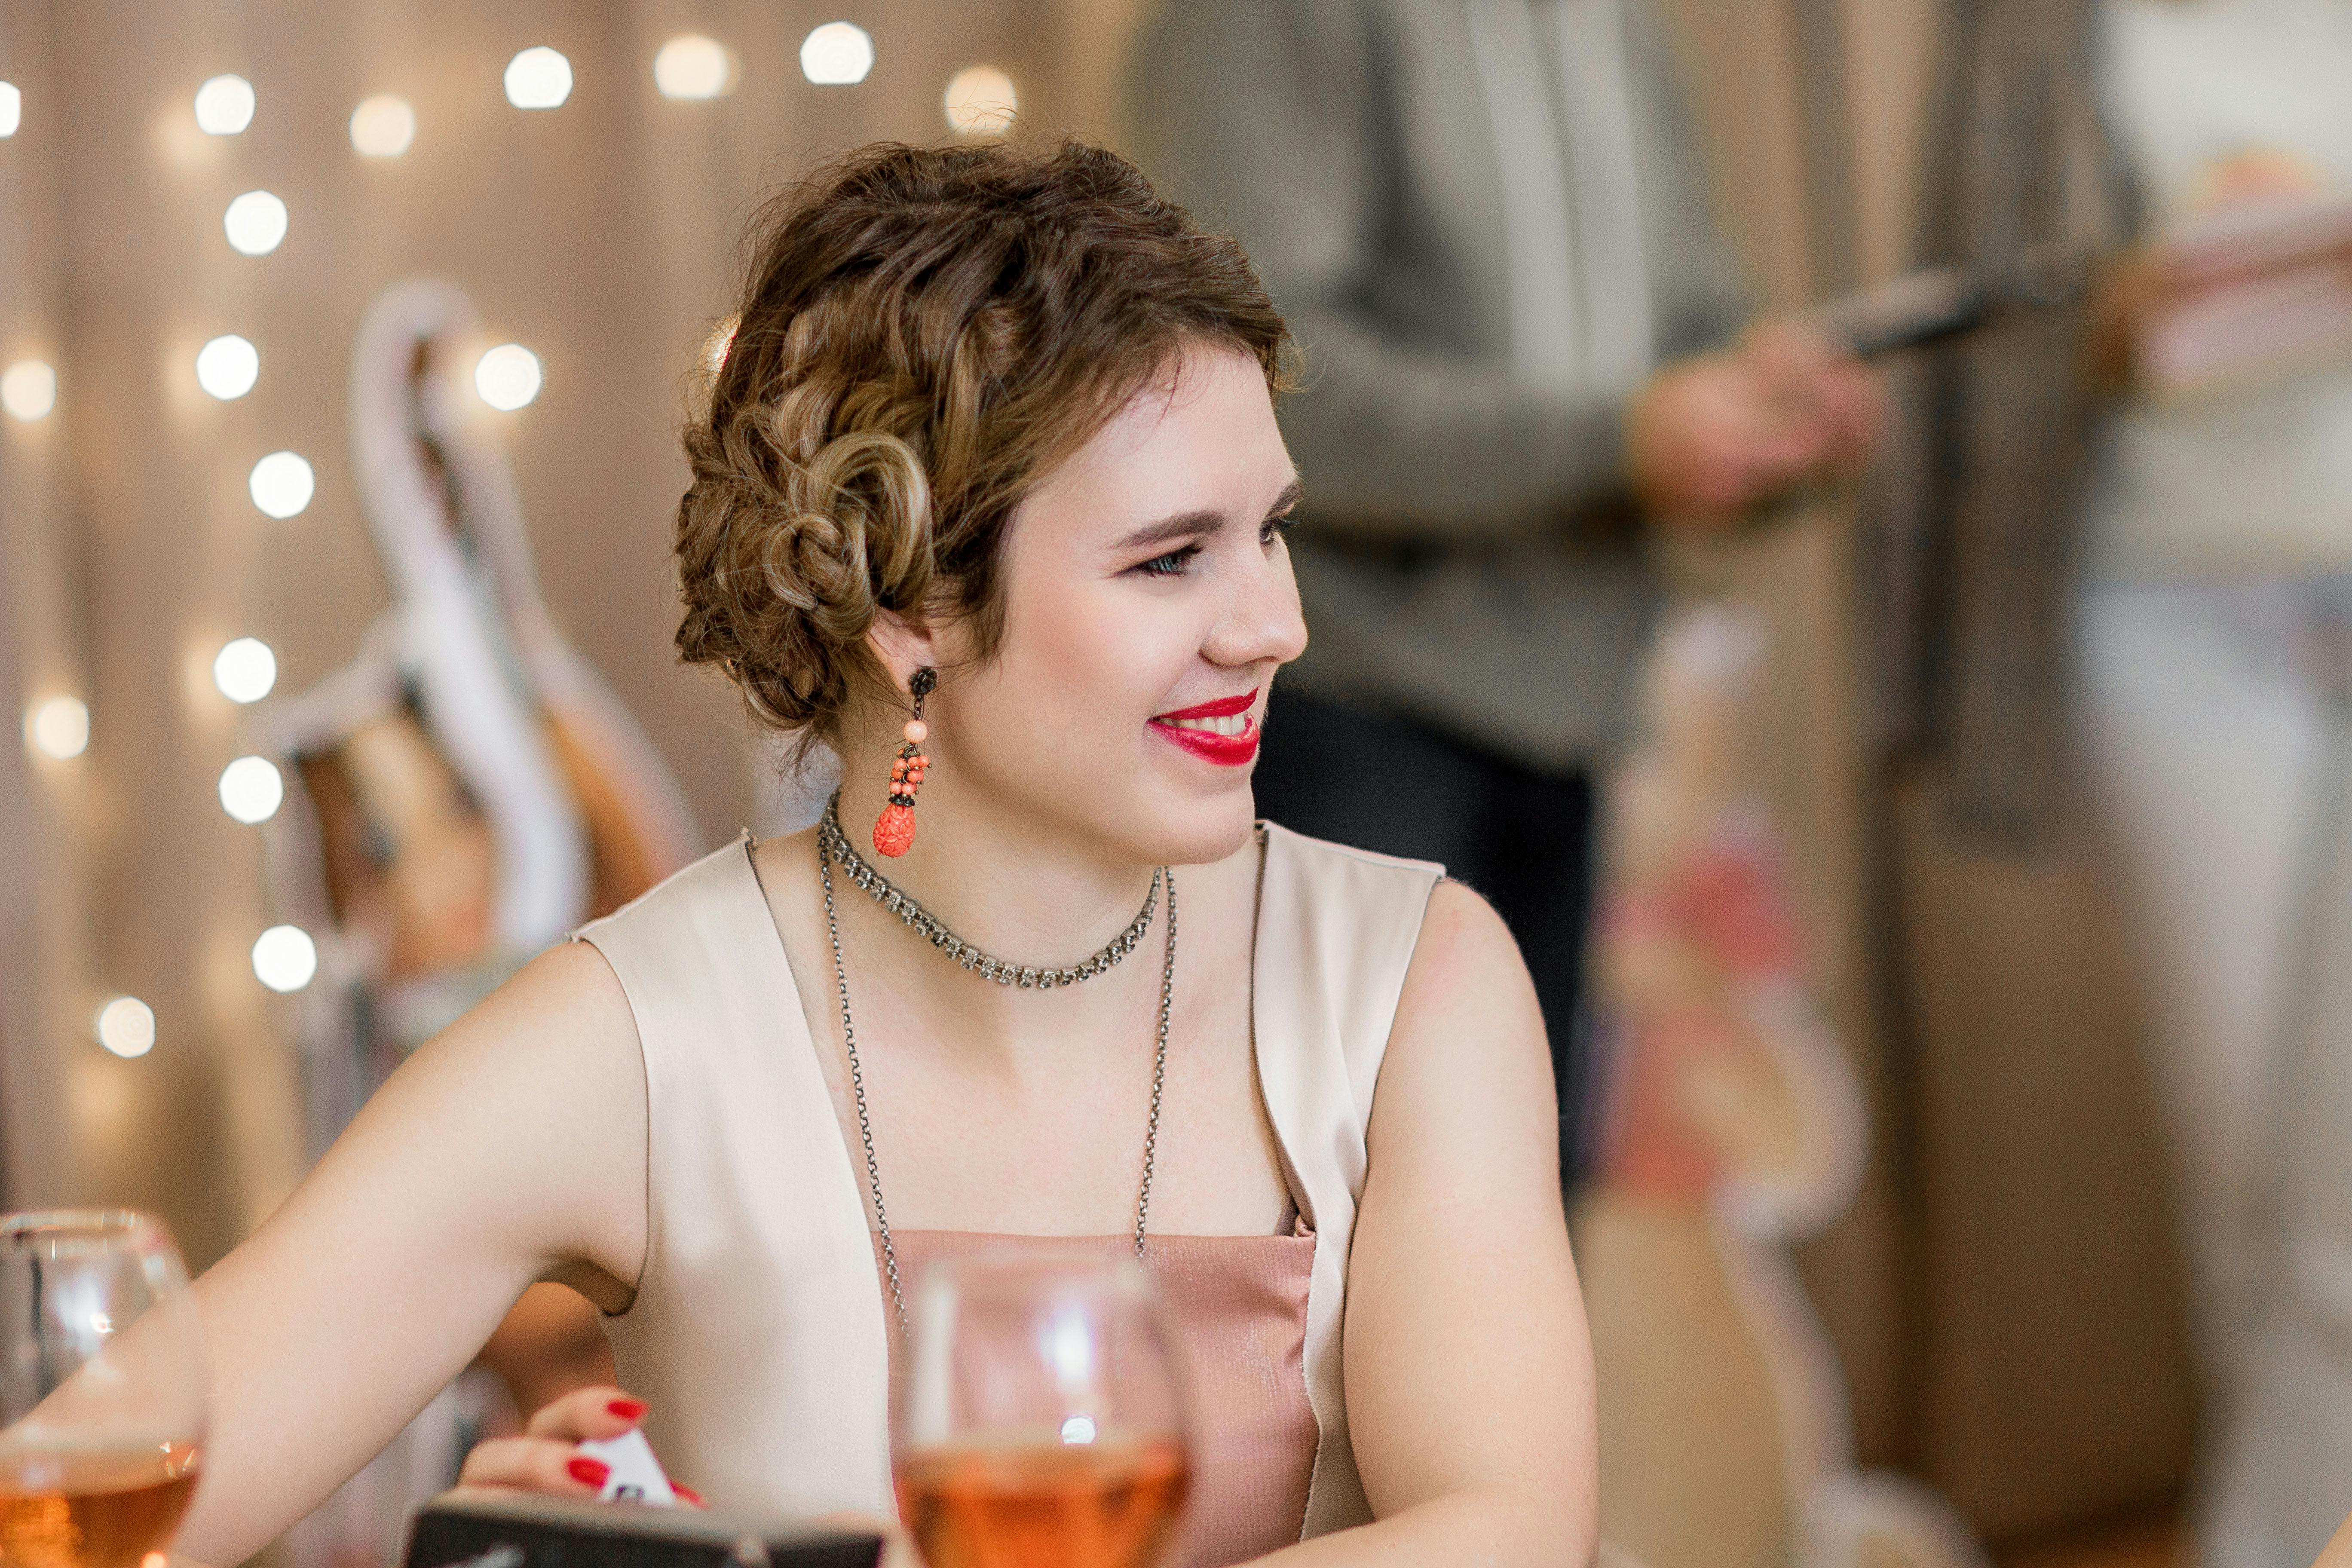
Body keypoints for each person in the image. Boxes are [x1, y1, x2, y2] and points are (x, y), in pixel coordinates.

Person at [171, 140, 1596, 1568]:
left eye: (1270, 533)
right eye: (1173, 558)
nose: (1274, 626)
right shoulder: (640, 1039)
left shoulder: (1413, 981)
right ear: (911, 607)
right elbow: (98, 1499)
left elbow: (1513, 1534)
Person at [1130, 0, 1879, 1179]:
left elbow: (1685, 340)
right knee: (1341, 1240)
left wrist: (1766, 413)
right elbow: (1250, 376)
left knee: (1517, 1225)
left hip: (1570, 715)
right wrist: (1621, 442)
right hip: (1346, 713)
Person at [2071, 1, 2352, 1562]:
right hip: (2171, 612)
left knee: (2342, 1213)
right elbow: (2016, 337)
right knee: (2245, 1184)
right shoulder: (2057, 39)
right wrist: (2145, 298)